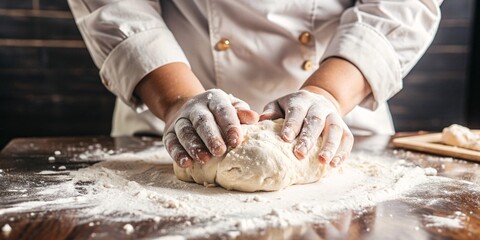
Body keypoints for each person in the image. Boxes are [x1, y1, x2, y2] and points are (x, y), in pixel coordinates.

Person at [68, 0, 442, 168]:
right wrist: (177, 99)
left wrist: (327, 93)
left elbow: (400, 5)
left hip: (340, 115)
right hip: (171, 113)